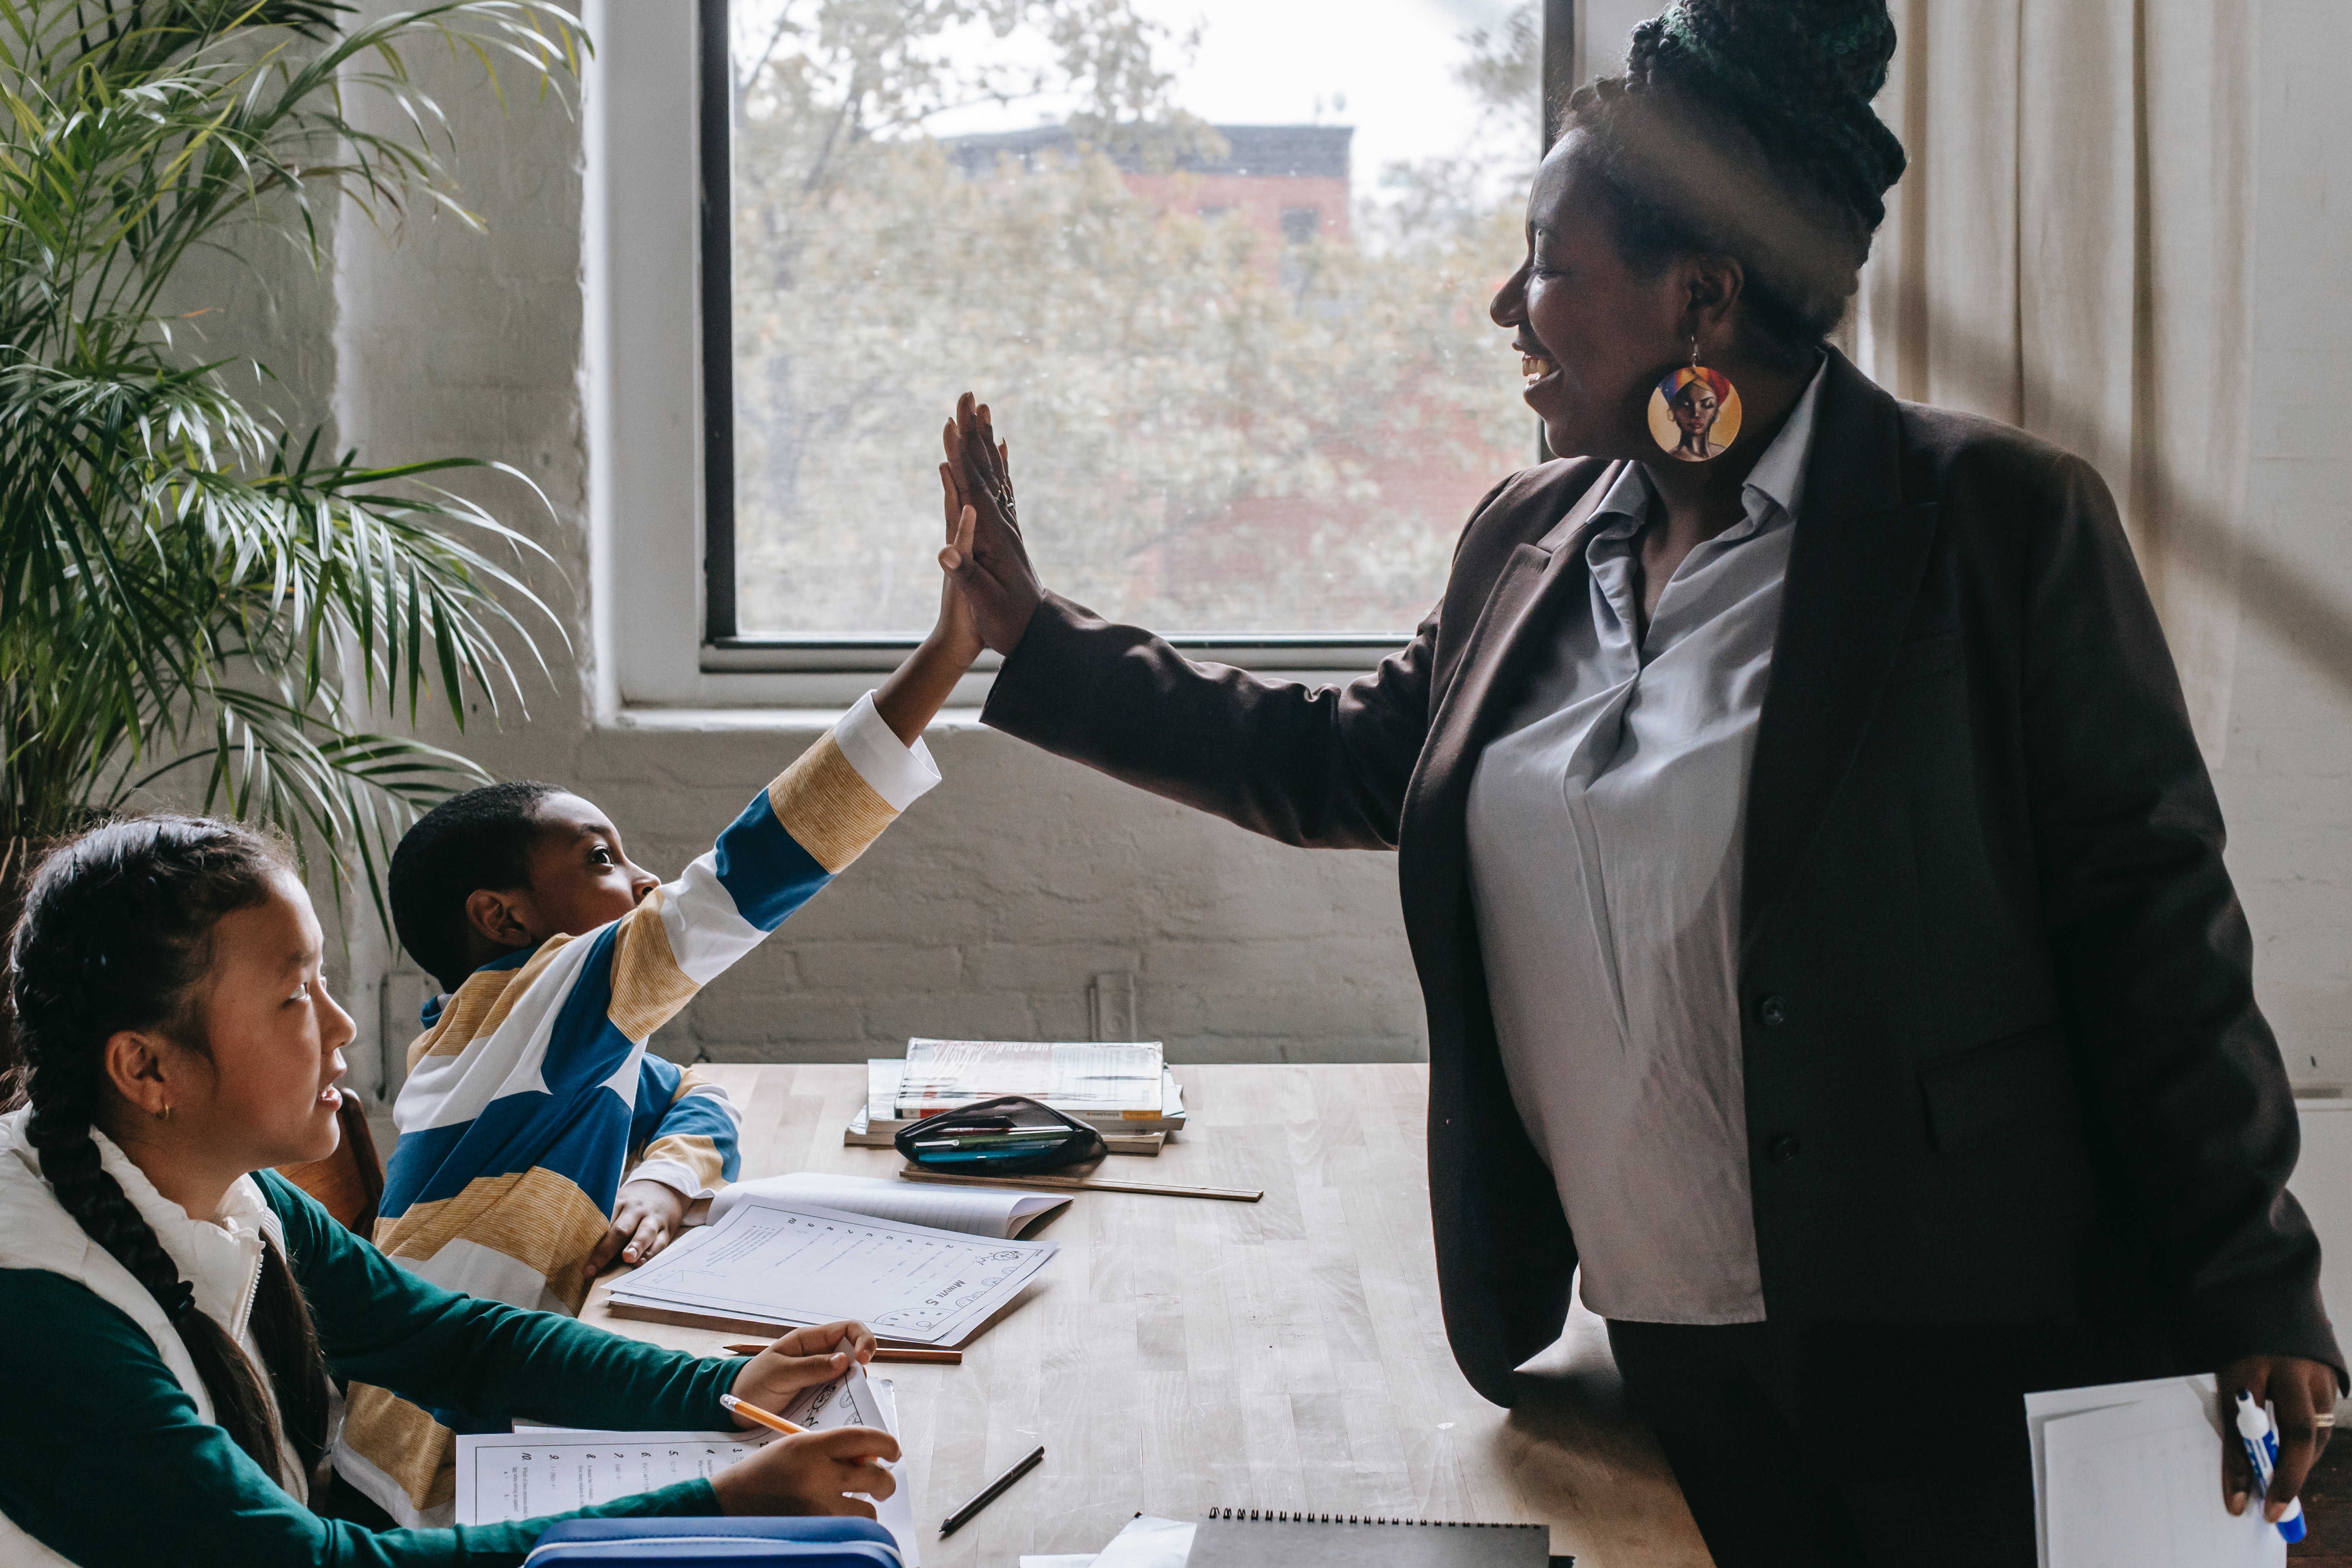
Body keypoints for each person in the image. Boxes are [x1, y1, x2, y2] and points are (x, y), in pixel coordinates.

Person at [928, 1, 2343, 1562]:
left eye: (1546, 259)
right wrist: (1033, 640)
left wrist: (2256, 1275)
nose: (1504, 304)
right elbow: (1341, 759)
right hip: (1661, 1352)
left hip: (1965, 1356)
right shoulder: (1525, 544)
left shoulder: (1995, 527)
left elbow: (2153, 926)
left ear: (1704, 296)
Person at [0, 815, 902, 1567]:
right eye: (293, 996)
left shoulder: (224, 1185)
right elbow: (309, 1564)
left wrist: (725, 1383)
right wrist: (709, 1503)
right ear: (146, 1066)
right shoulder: (41, 1311)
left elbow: (453, 1342)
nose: (343, 1023)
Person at [337, 487, 986, 1525]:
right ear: (503, 916)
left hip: (510, 1398)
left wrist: (665, 1180)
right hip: (431, 1462)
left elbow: (697, 1091)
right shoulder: (521, 1006)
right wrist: (947, 654)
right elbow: (739, 881)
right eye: (601, 858)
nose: (640, 881)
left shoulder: (539, 1036)